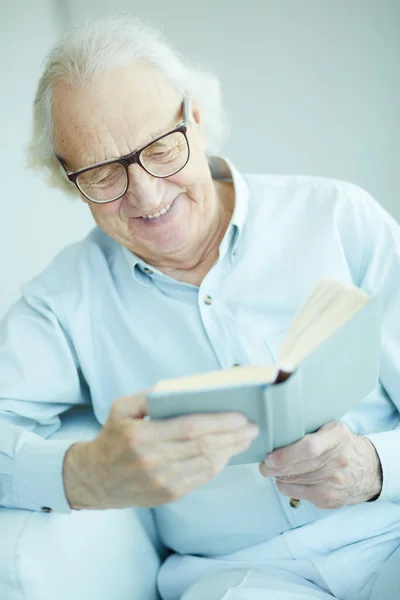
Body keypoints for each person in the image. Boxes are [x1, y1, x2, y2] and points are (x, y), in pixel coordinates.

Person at [1, 16, 399, 600]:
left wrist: (373, 467)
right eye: (102, 173)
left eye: (160, 150)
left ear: (196, 120)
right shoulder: (62, 301)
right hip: (243, 578)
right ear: (67, 176)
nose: (146, 195)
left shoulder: (340, 219)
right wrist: (85, 473)